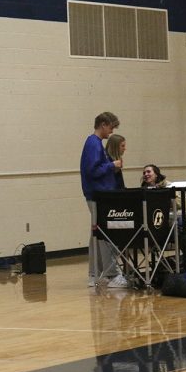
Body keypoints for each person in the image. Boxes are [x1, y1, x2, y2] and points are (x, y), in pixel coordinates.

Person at [79, 112, 129, 289]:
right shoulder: (93, 144)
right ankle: (111, 274)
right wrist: (112, 165)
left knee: (97, 235)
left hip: (98, 196)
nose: (112, 131)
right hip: (99, 196)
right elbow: (92, 171)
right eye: (111, 127)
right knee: (106, 234)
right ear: (103, 124)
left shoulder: (96, 144)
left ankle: (95, 274)